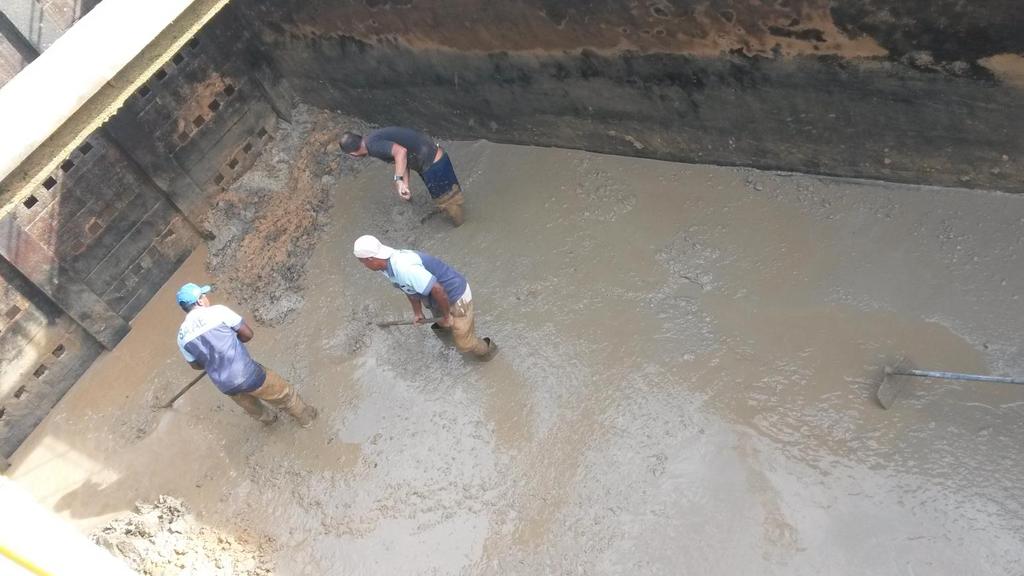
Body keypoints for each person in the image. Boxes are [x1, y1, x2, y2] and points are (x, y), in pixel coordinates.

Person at [175, 283, 317, 427]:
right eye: (203, 295)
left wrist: (211, 359)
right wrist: (233, 342)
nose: (206, 297)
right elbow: (248, 335)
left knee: (255, 410)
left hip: (226, 386)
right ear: (199, 301)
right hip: (247, 374)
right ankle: (308, 420)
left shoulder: (181, 336)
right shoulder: (217, 312)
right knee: (285, 395)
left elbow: (196, 366)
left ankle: (271, 422)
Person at [352, 235, 497, 360]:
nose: (363, 265)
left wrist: (447, 316)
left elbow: (437, 289)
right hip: (437, 299)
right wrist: (417, 312)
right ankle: (449, 340)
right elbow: (408, 288)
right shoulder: (386, 267)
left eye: (362, 261)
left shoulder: (403, 267)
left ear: (370, 259)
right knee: (441, 327)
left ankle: (489, 352)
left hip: (456, 296)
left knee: (465, 344)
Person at [340, 127, 466, 226]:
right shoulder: (372, 140)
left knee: (449, 202)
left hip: (434, 165)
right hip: (431, 163)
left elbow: (401, 152)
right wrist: (405, 185)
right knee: (443, 201)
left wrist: (398, 179)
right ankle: (449, 212)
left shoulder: (373, 146)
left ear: (353, 154)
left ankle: (462, 229)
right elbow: (403, 159)